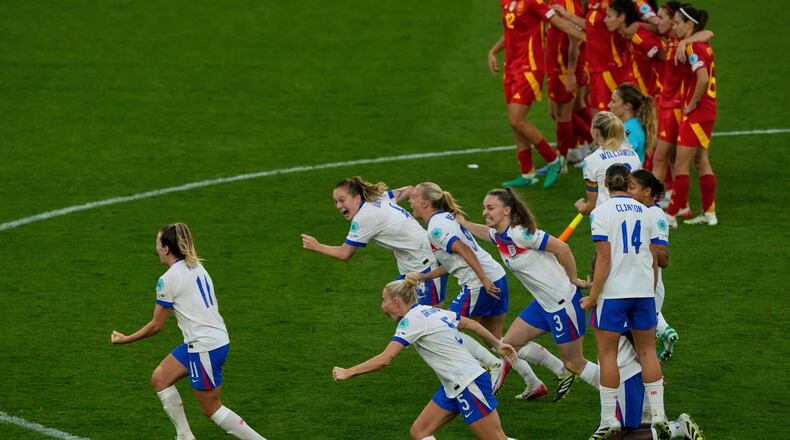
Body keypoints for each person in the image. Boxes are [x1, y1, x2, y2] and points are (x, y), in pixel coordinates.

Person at [110, 223, 266, 440]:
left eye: (157, 243)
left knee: (211, 408)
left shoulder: (168, 279)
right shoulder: (196, 265)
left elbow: (157, 325)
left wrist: (127, 339)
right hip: (209, 340)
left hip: (204, 347)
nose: (155, 248)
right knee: (160, 379)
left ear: (165, 249)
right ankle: (185, 436)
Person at [409, 182, 554, 400]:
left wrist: (483, 280)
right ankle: (534, 382)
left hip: (480, 284)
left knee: (446, 329)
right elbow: (454, 261)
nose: (410, 201)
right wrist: (424, 277)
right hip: (494, 277)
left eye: (413, 197)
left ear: (425, 202)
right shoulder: (443, 220)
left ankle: (495, 364)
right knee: (495, 338)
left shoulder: (436, 228)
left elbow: (464, 250)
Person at [457, 187, 603, 403]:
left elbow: (562, 248)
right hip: (543, 304)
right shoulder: (499, 235)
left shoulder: (520, 233)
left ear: (506, 210)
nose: (484, 212)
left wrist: (573, 278)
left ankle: (618, 391)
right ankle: (564, 374)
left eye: (490, 208)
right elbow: (483, 232)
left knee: (574, 363)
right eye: (484, 208)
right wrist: (462, 222)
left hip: (562, 303)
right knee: (509, 345)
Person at [332, 273, 518, 440]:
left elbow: (385, 358)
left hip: (469, 383)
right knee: (420, 432)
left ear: (396, 302)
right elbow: (469, 324)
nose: (382, 306)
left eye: (383, 300)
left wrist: (349, 371)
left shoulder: (411, 320)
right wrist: (498, 344)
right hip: (452, 385)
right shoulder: (432, 311)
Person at [580, 165, 669, 439]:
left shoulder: (600, 213)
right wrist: (650, 291)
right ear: (627, 183)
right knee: (648, 353)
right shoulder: (647, 211)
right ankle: (659, 415)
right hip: (643, 290)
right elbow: (654, 258)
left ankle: (609, 420)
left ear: (606, 184)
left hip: (613, 293)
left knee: (607, 354)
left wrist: (593, 296)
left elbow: (604, 260)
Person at [301, 176, 447, 305]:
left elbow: (345, 253)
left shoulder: (364, 217)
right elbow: (408, 190)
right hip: (411, 264)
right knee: (393, 304)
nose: (338, 206)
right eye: (335, 202)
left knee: (429, 320)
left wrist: (317, 246)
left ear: (357, 198)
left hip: (427, 264)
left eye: (342, 200)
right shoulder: (378, 197)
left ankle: (459, 330)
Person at [488, 0, 586, 188]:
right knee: (514, 122)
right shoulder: (506, 2)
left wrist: (589, 36)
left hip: (529, 68)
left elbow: (559, 23)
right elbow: (511, 32)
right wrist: (493, 51)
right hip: (511, 68)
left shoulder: (533, 3)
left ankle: (554, 160)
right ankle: (527, 173)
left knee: (518, 119)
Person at [666, 4, 718, 227]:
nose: (674, 26)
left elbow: (703, 78)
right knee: (701, 160)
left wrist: (691, 104)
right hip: (706, 112)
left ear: (689, 25)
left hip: (697, 113)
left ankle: (671, 215)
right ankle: (709, 214)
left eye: (677, 22)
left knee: (680, 165)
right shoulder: (700, 44)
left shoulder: (693, 48)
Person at [607, 334, 705, 440]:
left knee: (614, 435)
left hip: (626, 375)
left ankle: (677, 428)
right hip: (630, 372)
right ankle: (676, 427)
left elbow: (640, 345)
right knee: (621, 429)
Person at [628, 170, 677, 360]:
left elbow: (664, 259)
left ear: (647, 191)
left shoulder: (655, 215)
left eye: (632, 187)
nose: (627, 191)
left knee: (640, 351)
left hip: (648, 290)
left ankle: (655, 384)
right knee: (635, 349)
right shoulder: (634, 211)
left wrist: (639, 244)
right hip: (635, 287)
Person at [575, 111, 642, 216]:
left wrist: (582, 208)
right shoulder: (633, 154)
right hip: (634, 214)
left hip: (606, 218)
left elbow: (592, 206)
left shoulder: (591, 160)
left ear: (596, 132)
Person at [609, 83, 658, 163]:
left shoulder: (631, 129)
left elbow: (619, 162)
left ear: (627, 106)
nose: (609, 105)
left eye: (613, 101)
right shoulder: (630, 125)